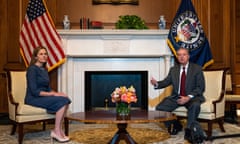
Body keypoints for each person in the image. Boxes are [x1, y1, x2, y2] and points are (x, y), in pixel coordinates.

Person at [150, 47, 205, 142]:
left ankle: (189, 131)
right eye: (179, 55)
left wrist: (188, 97)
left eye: (184, 54)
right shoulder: (173, 69)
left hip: (192, 97)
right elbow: (166, 81)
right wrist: (157, 84)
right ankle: (176, 124)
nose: (181, 57)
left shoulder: (197, 69)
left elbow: (200, 87)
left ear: (188, 56)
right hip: (177, 97)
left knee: (195, 105)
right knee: (160, 108)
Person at [25, 46, 71, 143]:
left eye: (45, 54)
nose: (44, 56)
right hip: (33, 98)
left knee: (66, 99)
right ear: (36, 57)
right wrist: (54, 95)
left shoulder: (44, 69)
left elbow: (48, 89)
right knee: (63, 102)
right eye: (41, 54)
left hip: (43, 95)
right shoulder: (32, 70)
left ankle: (58, 129)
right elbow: (34, 91)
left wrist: (58, 93)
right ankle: (56, 131)